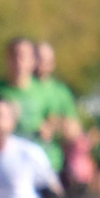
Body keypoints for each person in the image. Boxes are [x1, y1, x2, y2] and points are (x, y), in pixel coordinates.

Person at [0, 39, 57, 161]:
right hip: (3, 161)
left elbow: (56, 124)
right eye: (13, 55)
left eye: (23, 56)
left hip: (37, 159)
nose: (18, 61)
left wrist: (49, 129)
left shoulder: (44, 91)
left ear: (33, 61)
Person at [33, 41, 77, 174]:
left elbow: (74, 130)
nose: (41, 63)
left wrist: (54, 125)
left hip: (52, 162)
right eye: (38, 58)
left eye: (46, 60)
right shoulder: (19, 87)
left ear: (53, 63)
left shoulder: (61, 92)